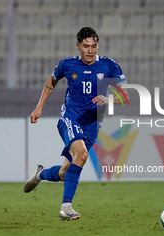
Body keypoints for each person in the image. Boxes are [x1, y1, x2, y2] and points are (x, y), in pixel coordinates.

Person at [24, 27, 129, 221]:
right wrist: (39, 107)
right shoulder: (67, 65)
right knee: (81, 154)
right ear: (78, 46)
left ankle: (40, 174)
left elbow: (125, 94)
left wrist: (110, 100)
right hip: (70, 118)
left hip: (92, 125)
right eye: (86, 46)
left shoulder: (108, 65)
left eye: (94, 46)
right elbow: (52, 81)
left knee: (65, 172)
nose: (90, 50)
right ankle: (66, 208)